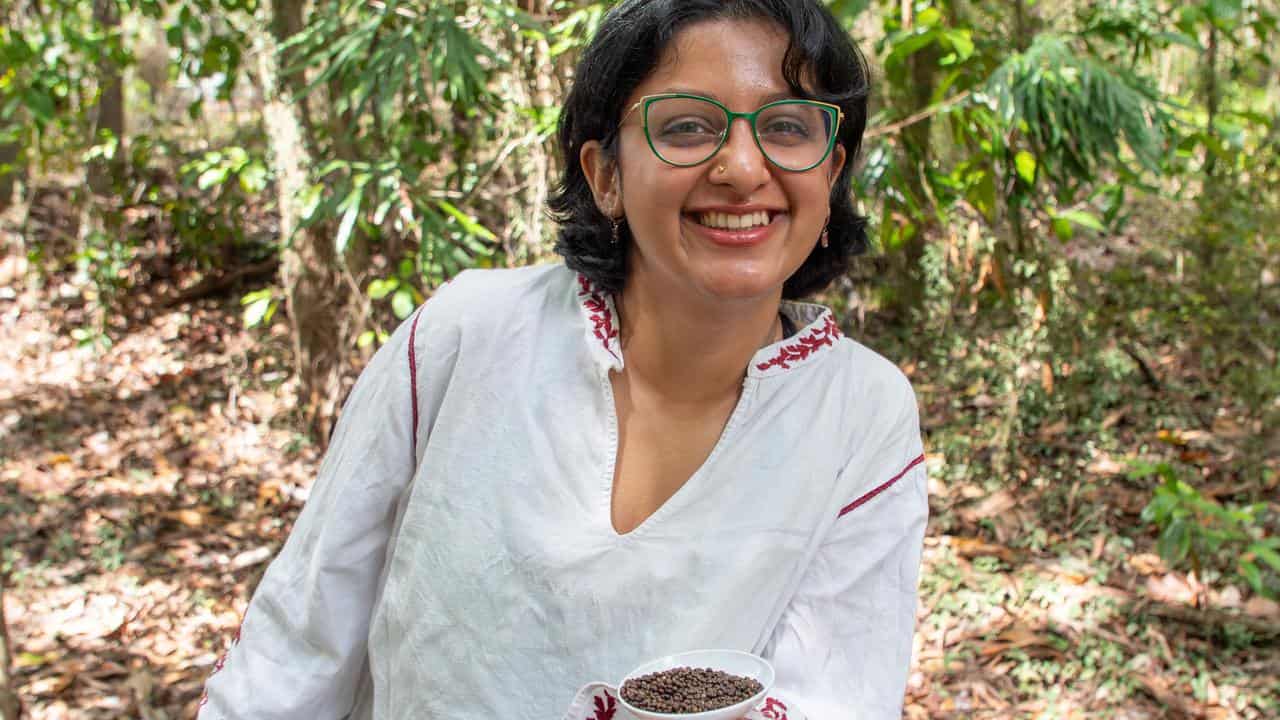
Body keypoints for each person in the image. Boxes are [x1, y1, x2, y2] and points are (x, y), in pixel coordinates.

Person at [196, 1, 928, 718]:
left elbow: (838, 691)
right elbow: (299, 643)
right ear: (605, 174)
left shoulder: (860, 414)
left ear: (828, 176)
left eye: (787, 128)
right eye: (687, 127)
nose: (742, 167)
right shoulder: (470, 335)